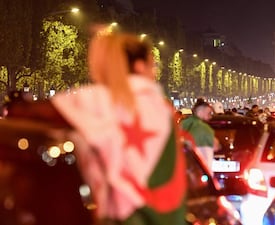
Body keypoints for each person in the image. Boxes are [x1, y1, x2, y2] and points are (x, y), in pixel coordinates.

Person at [7, 28, 187, 225]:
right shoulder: (161, 107)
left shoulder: (102, 100)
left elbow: (28, 112)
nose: (154, 71)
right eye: (152, 65)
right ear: (138, 65)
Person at [181, 98, 219, 173]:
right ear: (201, 112)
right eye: (208, 113)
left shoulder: (182, 124)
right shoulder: (205, 128)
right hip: (201, 172)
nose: (210, 117)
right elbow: (216, 146)